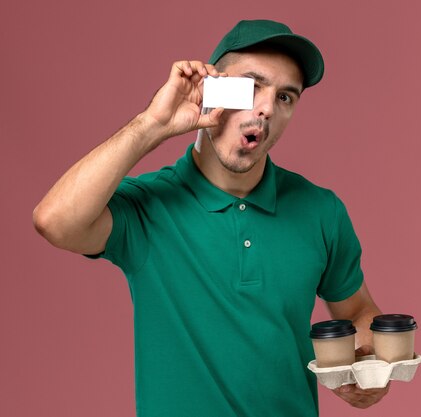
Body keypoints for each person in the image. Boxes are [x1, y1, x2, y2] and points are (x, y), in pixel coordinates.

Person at [33, 19, 389, 416]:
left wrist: (364, 362)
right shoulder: (150, 205)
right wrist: (153, 125)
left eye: (285, 97)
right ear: (212, 87)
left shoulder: (320, 210)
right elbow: (55, 221)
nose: (267, 107)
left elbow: (358, 311)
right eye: (251, 85)